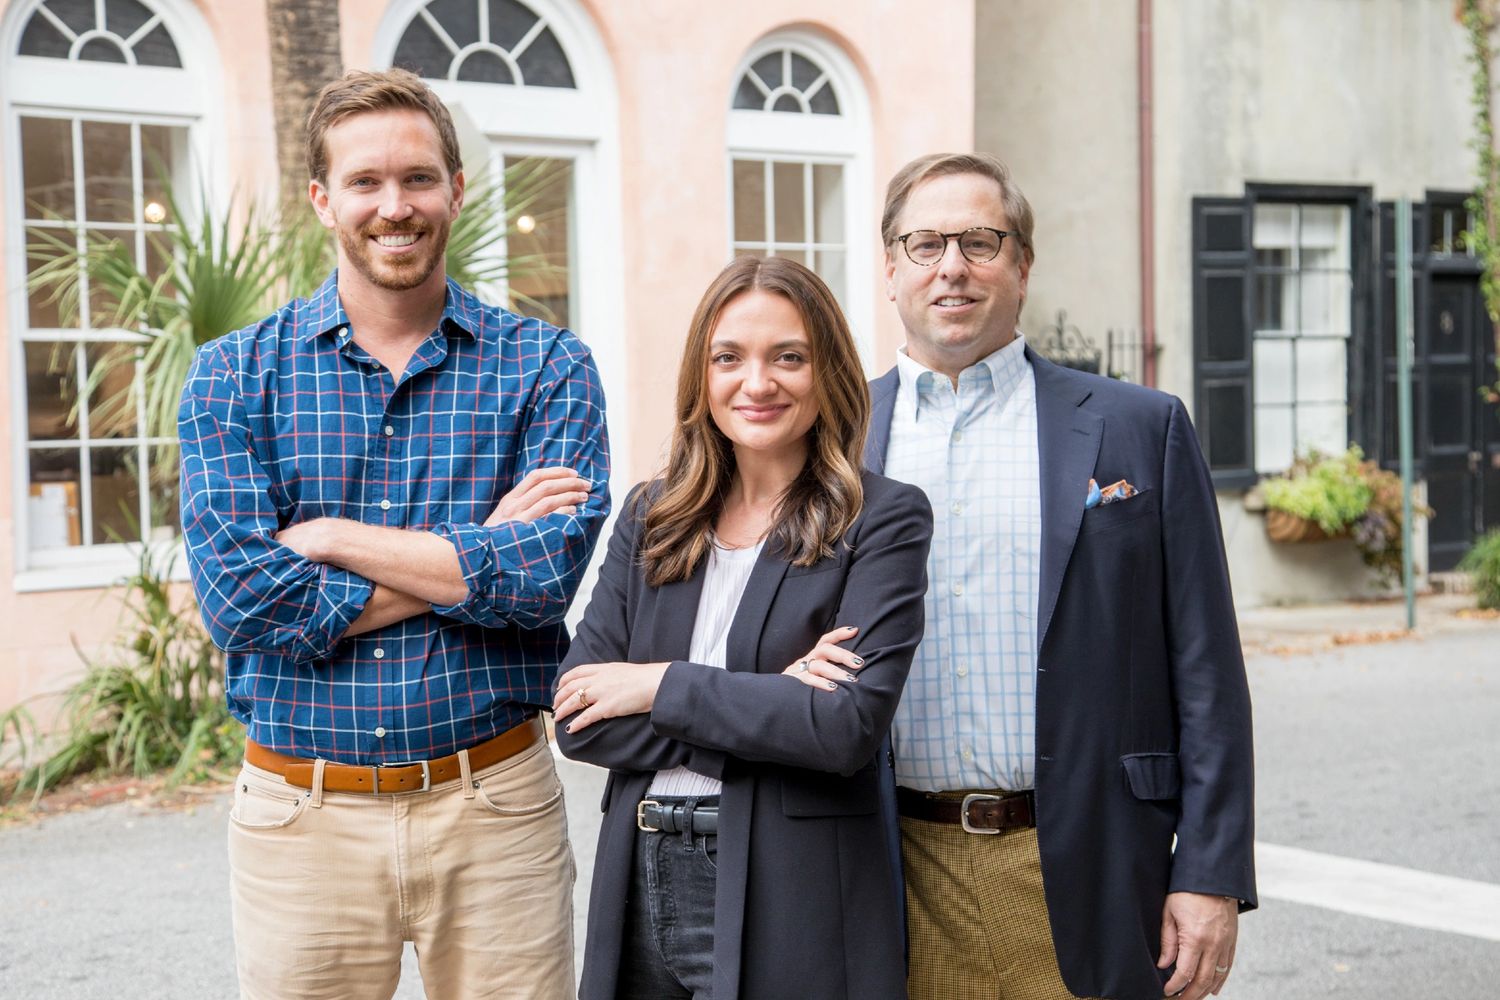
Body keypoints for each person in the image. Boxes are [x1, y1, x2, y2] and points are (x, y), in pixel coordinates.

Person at [178, 69, 609, 1000]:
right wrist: (473, 548)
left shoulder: (547, 366)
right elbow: (241, 601)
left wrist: (328, 535)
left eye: (418, 178)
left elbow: (540, 580)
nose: (395, 206)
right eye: (366, 182)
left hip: (496, 811)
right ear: (323, 201)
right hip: (302, 818)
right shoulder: (233, 375)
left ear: (457, 189)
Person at [865, 152, 1257, 1000]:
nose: (953, 268)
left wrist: (1211, 872)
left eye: (981, 240)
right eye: (925, 244)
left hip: (1093, 865)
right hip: (892, 873)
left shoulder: (1139, 428)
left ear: (1023, 264)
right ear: (890, 268)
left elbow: (1207, 667)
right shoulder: (833, 437)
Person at [553, 255, 933, 1000]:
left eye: (788, 357)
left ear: (828, 373)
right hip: (642, 867)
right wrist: (767, 701)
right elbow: (578, 719)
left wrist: (655, 684)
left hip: (792, 880)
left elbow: (841, 728)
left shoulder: (882, 519)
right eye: (729, 358)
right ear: (703, 374)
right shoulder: (652, 516)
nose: (756, 383)